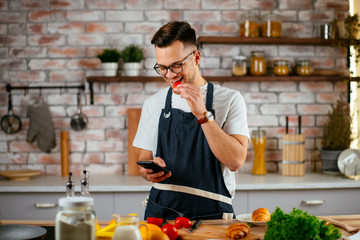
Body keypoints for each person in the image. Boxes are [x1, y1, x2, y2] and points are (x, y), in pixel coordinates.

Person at [133, 21, 249, 220]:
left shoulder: (230, 99)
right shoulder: (154, 104)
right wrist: (148, 171)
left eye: (177, 66)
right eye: (162, 68)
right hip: (161, 215)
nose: (170, 75)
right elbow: (143, 159)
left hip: (212, 216)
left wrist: (203, 114)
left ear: (196, 57)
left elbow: (235, 161)